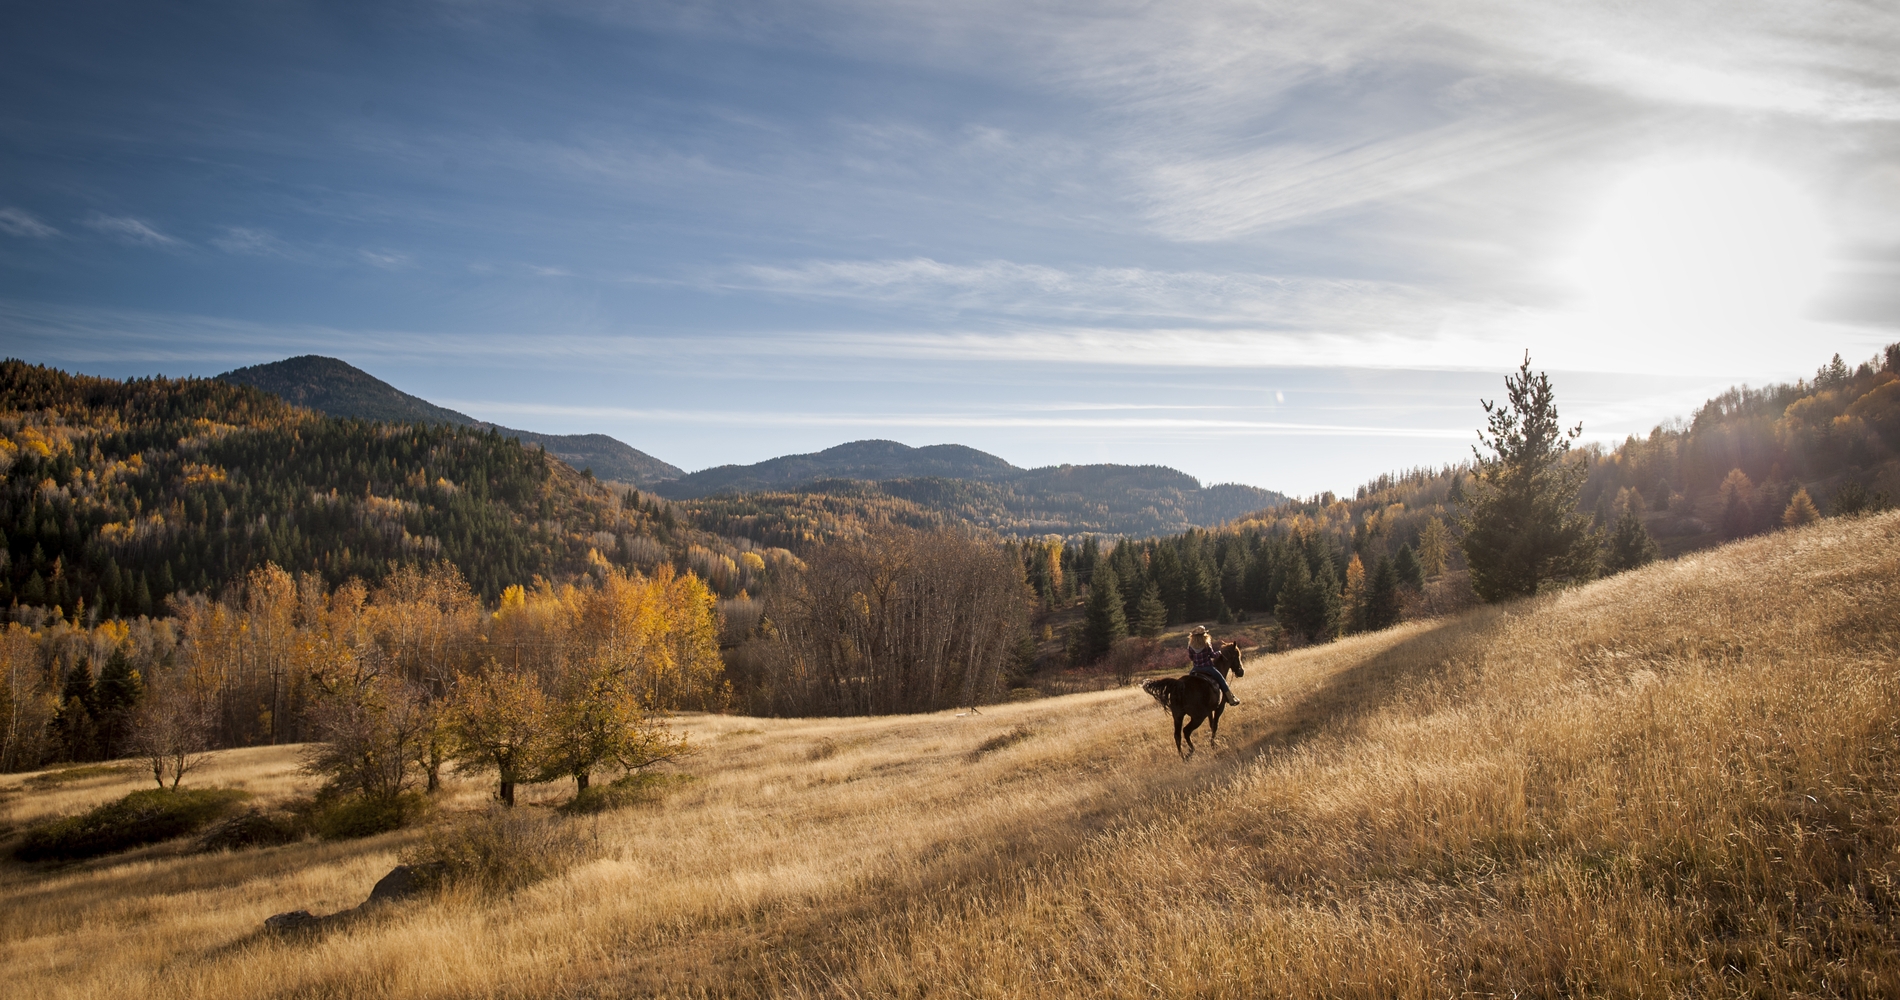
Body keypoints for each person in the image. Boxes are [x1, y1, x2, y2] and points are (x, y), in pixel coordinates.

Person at [1186, 625, 1240, 706]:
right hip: (1208, 667)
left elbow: (1191, 657)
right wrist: (1219, 652)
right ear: (1204, 635)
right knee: (1221, 680)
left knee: (1187, 683)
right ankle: (1231, 699)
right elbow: (1212, 655)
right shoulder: (1206, 644)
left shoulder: (1191, 646)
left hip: (1196, 669)